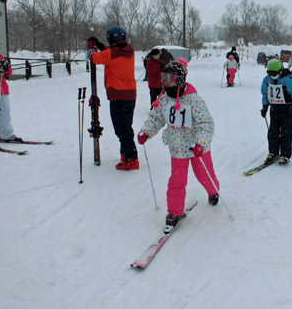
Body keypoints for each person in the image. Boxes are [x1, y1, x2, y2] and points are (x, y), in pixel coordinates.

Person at [137, 61, 220, 234]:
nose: (165, 82)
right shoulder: (164, 99)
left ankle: (213, 192)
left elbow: (206, 123)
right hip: (177, 148)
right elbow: (156, 118)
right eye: (163, 77)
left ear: (180, 79)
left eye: (170, 78)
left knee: (204, 174)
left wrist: (201, 143)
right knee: (176, 181)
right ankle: (174, 213)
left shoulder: (194, 100)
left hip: (197, 148)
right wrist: (146, 131)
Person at [88, 27, 139, 170]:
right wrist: (101, 46)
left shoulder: (111, 53)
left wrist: (91, 46)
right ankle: (127, 154)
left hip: (118, 96)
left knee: (122, 130)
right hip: (130, 95)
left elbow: (95, 58)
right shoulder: (128, 50)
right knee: (126, 127)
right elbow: (110, 54)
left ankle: (131, 159)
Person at [260, 59, 292, 166]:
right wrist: (265, 107)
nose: (272, 75)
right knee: (272, 133)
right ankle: (273, 152)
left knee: (286, 133)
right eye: (269, 73)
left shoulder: (287, 80)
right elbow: (265, 94)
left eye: (274, 73)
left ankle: (285, 155)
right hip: (274, 110)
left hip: (287, 110)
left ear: (279, 70)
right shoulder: (267, 80)